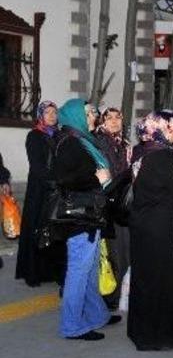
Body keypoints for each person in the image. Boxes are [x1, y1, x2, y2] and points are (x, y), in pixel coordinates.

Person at [53, 99, 121, 341]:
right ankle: (71, 325)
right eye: (90, 112)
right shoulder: (69, 142)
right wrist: (96, 178)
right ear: (76, 116)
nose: (95, 116)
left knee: (91, 268)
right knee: (79, 271)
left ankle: (96, 314)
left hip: (90, 213)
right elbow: (64, 179)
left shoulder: (81, 140)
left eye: (93, 112)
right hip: (79, 216)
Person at [127, 111, 173, 351]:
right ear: (158, 128)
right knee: (162, 280)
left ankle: (143, 332)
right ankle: (161, 335)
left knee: (147, 279)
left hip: (146, 224)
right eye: (170, 126)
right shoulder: (163, 156)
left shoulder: (143, 151)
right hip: (161, 227)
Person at [16, 100, 64, 287]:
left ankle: (52, 271)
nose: (52, 116)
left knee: (54, 232)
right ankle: (34, 273)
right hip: (40, 191)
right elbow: (37, 166)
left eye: (54, 112)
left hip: (57, 190)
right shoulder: (34, 136)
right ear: (40, 115)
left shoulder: (59, 135)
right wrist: (55, 180)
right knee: (38, 230)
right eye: (47, 112)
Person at [93, 107, 131, 309]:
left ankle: (116, 296)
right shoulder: (100, 142)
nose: (115, 121)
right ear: (103, 121)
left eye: (119, 117)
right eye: (110, 118)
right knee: (111, 252)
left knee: (123, 251)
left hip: (120, 203)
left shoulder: (123, 143)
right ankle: (109, 298)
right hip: (106, 203)